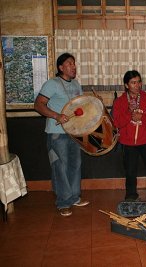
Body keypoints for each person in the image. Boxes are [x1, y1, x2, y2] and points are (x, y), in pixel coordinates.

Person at [34, 53, 89, 217]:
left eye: (74, 63)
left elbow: (80, 106)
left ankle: (73, 197)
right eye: (70, 64)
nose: (74, 67)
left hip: (74, 133)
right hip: (57, 134)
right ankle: (63, 202)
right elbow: (38, 105)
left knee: (75, 165)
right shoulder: (52, 84)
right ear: (61, 67)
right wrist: (57, 116)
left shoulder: (76, 84)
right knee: (60, 167)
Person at [113, 70, 146, 202]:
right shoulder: (120, 101)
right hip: (128, 142)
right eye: (133, 82)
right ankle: (131, 195)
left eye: (139, 82)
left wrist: (143, 117)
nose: (137, 85)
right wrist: (129, 113)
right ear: (126, 85)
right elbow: (116, 122)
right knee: (130, 171)